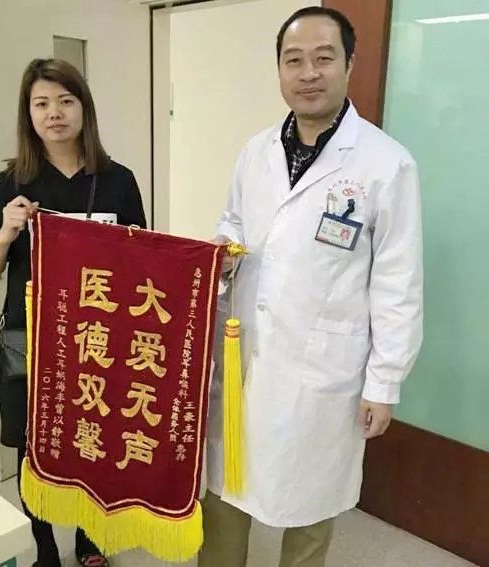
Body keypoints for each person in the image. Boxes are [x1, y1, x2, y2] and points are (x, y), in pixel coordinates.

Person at [201, 7, 423, 567]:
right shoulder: (255, 152)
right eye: (293, 60)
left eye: (323, 58)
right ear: (278, 69)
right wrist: (226, 246)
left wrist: (384, 382)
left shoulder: (385, 164)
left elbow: (397, 281)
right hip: (243, 353)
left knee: (310, 504)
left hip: (323, 369)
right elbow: (233, 220)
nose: (308, 73)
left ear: (349, 64)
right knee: (224, 494)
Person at [0, 58, 147, 567]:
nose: (55, 113)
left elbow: (142, 261)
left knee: (92, 441)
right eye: (42, 103)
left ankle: (90, 541)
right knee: (34, 449)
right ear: (28, 114)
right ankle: (45, 548)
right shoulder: (13, 181)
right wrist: (6, 232)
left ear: (83, 109)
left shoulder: (118, 180)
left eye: (66, 101)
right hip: (29, 338)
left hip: (97, 338)